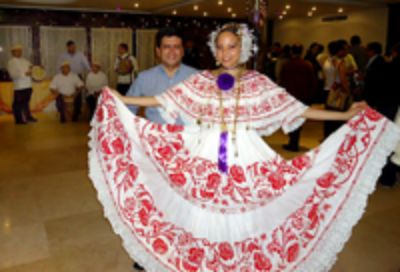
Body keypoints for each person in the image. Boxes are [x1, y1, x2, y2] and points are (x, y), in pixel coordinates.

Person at [88, 23, 400, 272]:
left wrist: (344, 114)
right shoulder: (202, 80)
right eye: (220, 47)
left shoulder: (258, 81)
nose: (225, 53)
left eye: (232, 46)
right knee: (200, 211)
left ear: (243, 48)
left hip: (245, 155)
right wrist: (124, 99)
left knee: (247, 214)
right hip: (206, 152)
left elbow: (297, 109)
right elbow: (163, 100)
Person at [126, 27, 197, 124]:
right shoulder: (144, 78)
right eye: (167, 47)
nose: (172, 52)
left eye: (176, 47)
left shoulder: (197, 77)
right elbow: (127, 109)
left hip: (190, 137)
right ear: (158, 51)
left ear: (183, 51)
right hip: (155, 136)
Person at [280, 43, 317, 151]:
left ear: (292, 51)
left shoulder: (287, 65)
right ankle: (294, 142)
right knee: (299, 120)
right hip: (303, 96)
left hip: (289, 97)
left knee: (290, 119)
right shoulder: (307, 64)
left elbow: (282, 81)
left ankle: (293, 142)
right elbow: (312, 82)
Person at [7, 44, 37, 124]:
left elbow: (32, 68)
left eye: (20, 51)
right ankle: (19, 120)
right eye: (17, 51)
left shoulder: (25, 60)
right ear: (12, 53)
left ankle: (28, 117)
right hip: (19, 86)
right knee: (17, 105)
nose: (19, 52)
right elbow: (13, 75)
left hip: (28, 85)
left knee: (26, 103)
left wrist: (34, 69)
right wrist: (25, 74)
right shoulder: (11, 62)